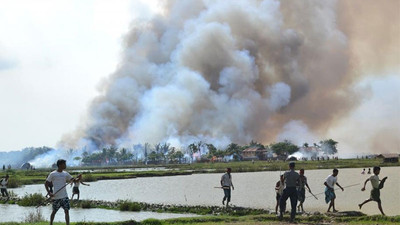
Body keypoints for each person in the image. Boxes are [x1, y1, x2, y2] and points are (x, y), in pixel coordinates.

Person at [45, 159, 75, 225]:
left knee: (66, 211)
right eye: (64, 164)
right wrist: (49, 193)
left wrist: (77, 178)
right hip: (56, 197)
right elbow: (46, 183)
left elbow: (73, 179)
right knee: (54, 211)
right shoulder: (53, 174)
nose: (65, 165)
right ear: (60, 165)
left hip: (64, 196)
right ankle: (51, 224)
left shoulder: (66, 173)